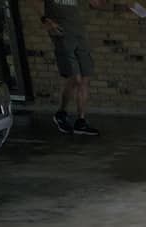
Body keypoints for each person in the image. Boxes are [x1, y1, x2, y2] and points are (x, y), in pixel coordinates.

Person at [38, 0, 108, 136]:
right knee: (74, 78)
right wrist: (44, 19)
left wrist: (128, 7)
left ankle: (81, 122)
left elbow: (97, 4)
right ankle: (61, 113)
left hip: (79, 34)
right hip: (61, 33)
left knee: (85, 78)